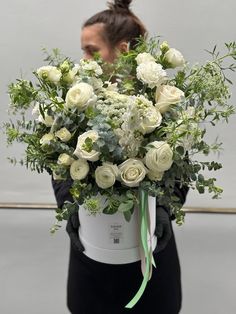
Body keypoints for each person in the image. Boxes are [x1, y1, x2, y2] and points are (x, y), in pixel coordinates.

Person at [52, 1, 189, 313]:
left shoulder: (163, 103)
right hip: (92, 261)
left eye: (91, 50)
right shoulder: (75, 102)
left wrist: (166, 209)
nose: (83, 59)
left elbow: (181, 163)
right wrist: (69, 206)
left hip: (148, 257)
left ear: (123, 49)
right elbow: (58, 163)